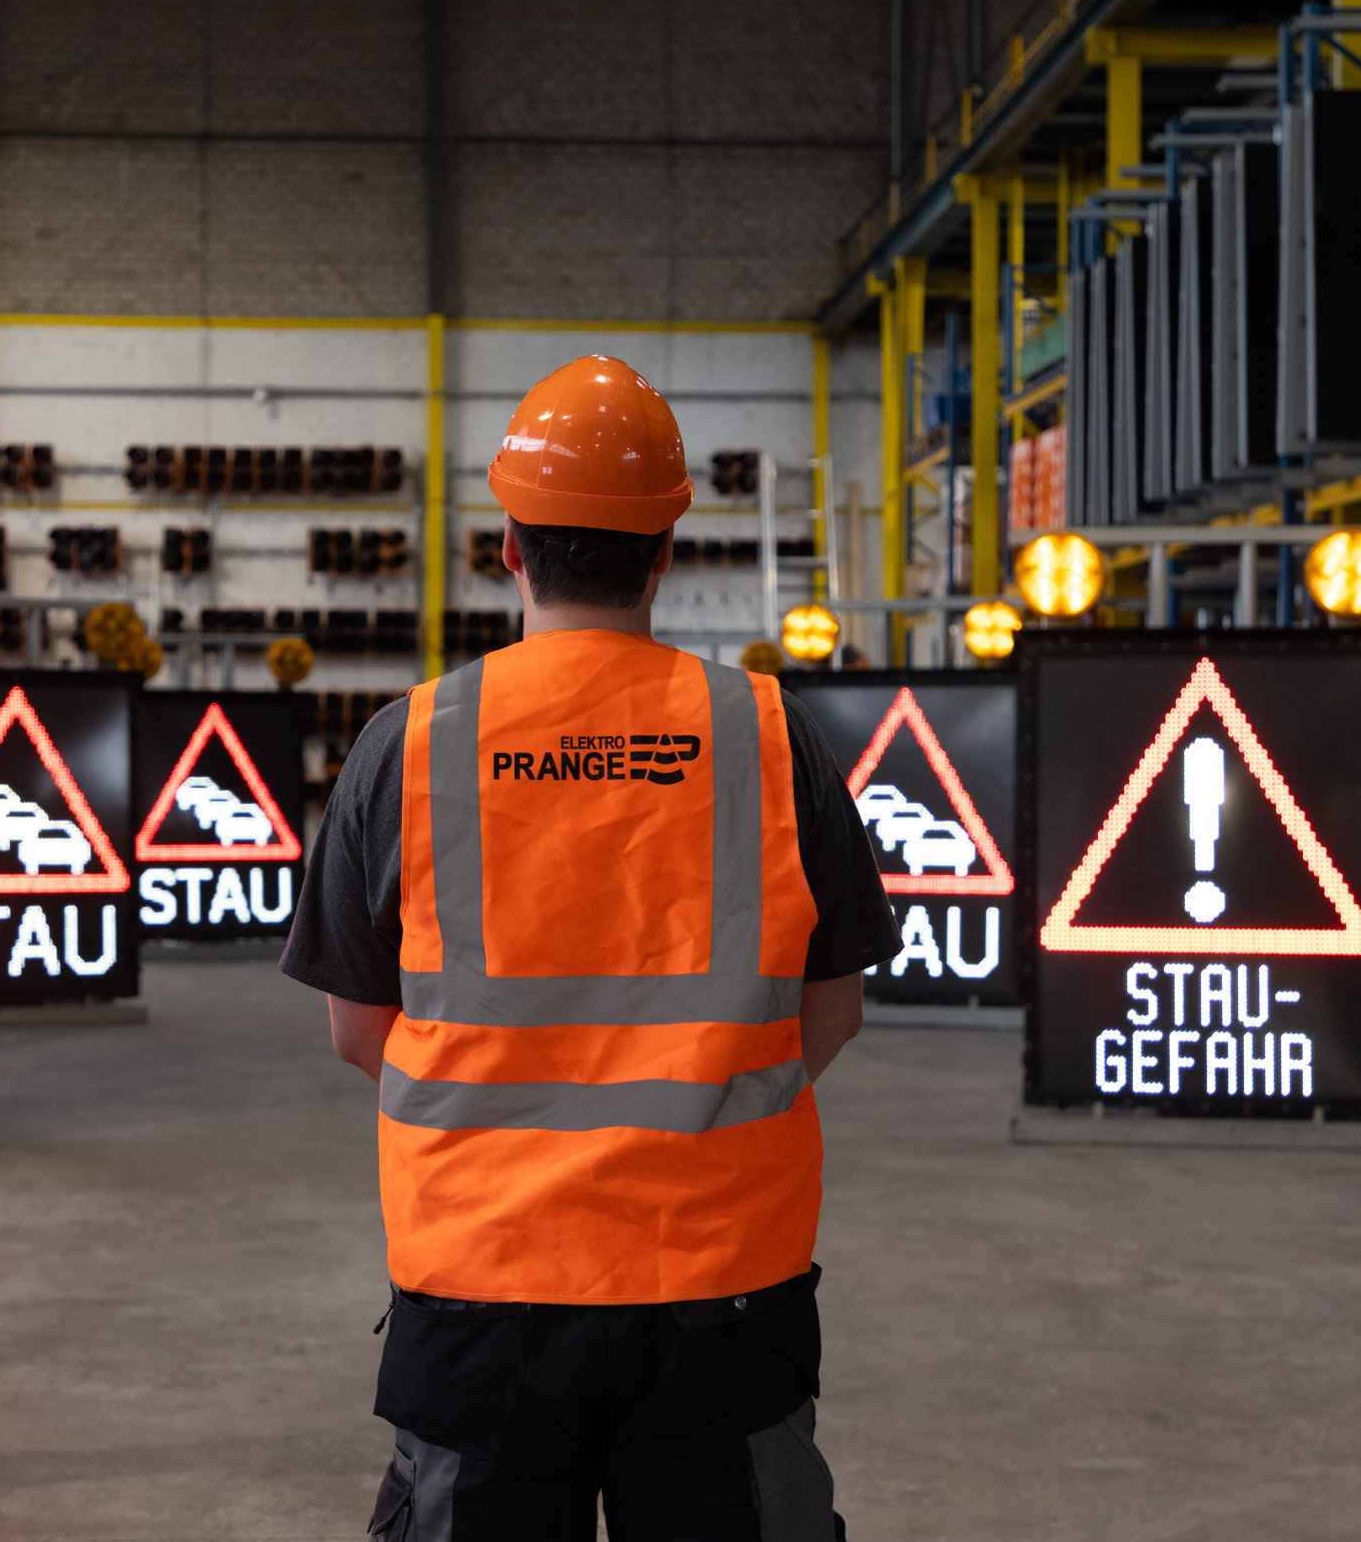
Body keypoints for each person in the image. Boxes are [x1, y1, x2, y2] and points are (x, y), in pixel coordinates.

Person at [279, 355, 898, 1540]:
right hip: (721, 1281)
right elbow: (832, 1007)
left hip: (480, 1279)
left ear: (507, 545)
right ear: (665, 549)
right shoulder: (769, 734)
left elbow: (358, 1029)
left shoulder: (409, 742)